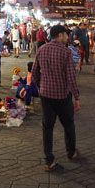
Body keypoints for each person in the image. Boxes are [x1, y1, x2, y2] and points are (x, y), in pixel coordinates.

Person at [32, 25, 81, 172]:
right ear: (60, 35)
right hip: (62, 95)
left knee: (47, 127)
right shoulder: (65, 52)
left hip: (46, 95)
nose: (67, 37)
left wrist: (41, 86)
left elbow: (34, 73)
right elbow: (71, 77)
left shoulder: (41, 49)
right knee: (68, 125)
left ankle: (49, 160)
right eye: (66, 35)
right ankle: (71, 152)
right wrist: (76, 97)